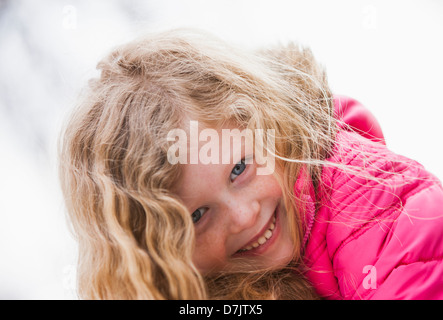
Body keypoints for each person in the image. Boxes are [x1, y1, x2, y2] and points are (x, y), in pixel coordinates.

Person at [59, 29, 443, 300]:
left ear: (268, 122)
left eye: (239, 169)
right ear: (159, 257)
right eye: (198, 216)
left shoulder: (378, 208)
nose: (243, 216)